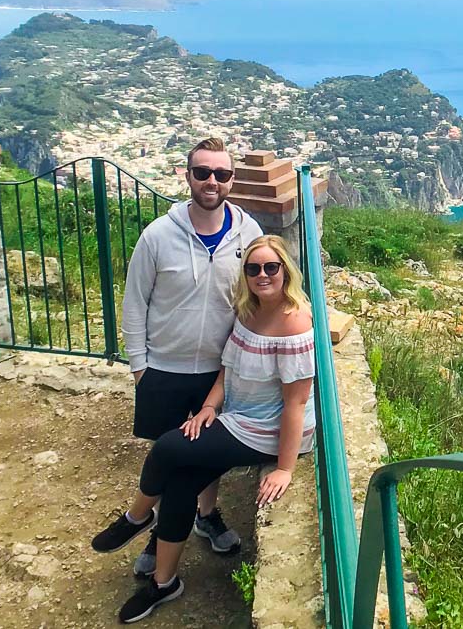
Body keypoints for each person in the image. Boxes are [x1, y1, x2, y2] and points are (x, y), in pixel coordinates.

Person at [93, 235, 317, 622]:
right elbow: (226, 371)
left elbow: (296, 403)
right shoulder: (248, 311)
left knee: (168, 448)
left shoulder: (293, 320)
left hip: (266, 428)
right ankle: (165, 583)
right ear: (245, 274)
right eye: (253, 268)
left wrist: (284, 468)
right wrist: (208, 409)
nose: (262, 275)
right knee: (180, 483)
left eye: (271, 267)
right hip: (235, 416)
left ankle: (137, 517)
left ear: (286, 270)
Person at [117, 136, 263, 577]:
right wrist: (140, 366)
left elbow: (260, 296)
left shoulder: (249, 234)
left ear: (232, 180)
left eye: (221, 173)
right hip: (163, 367)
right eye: (202, 172)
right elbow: (134, 301)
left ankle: (206, 514)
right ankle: (159, 532)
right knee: (167, 452)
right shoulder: (158, 235)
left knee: (203, 455)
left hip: (220, 371)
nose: (211, 181)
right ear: (188, 175)